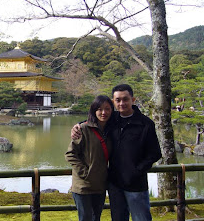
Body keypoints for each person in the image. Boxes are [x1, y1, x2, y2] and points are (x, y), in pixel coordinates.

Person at [71, 84, 162, 221]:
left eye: (125, 99)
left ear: (133, 99)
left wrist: (137, 171)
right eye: (118, 100)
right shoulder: (111, 120)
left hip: (136, 183)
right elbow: (93, 122)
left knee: (141, 218)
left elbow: (154, 153)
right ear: (113, 102)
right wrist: (77, 126)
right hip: (114, 184)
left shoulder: (145, 124)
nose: (122, 103)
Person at [65, 95, 114, 221]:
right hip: (83, 186)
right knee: (86, 218)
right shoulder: (83, 129)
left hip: (100, 185)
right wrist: (85, 173)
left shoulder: (111, 131)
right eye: (99, 109)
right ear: (94, 110)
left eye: (107, 109)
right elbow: (70, 154)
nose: (104, 112)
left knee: (96, 217)